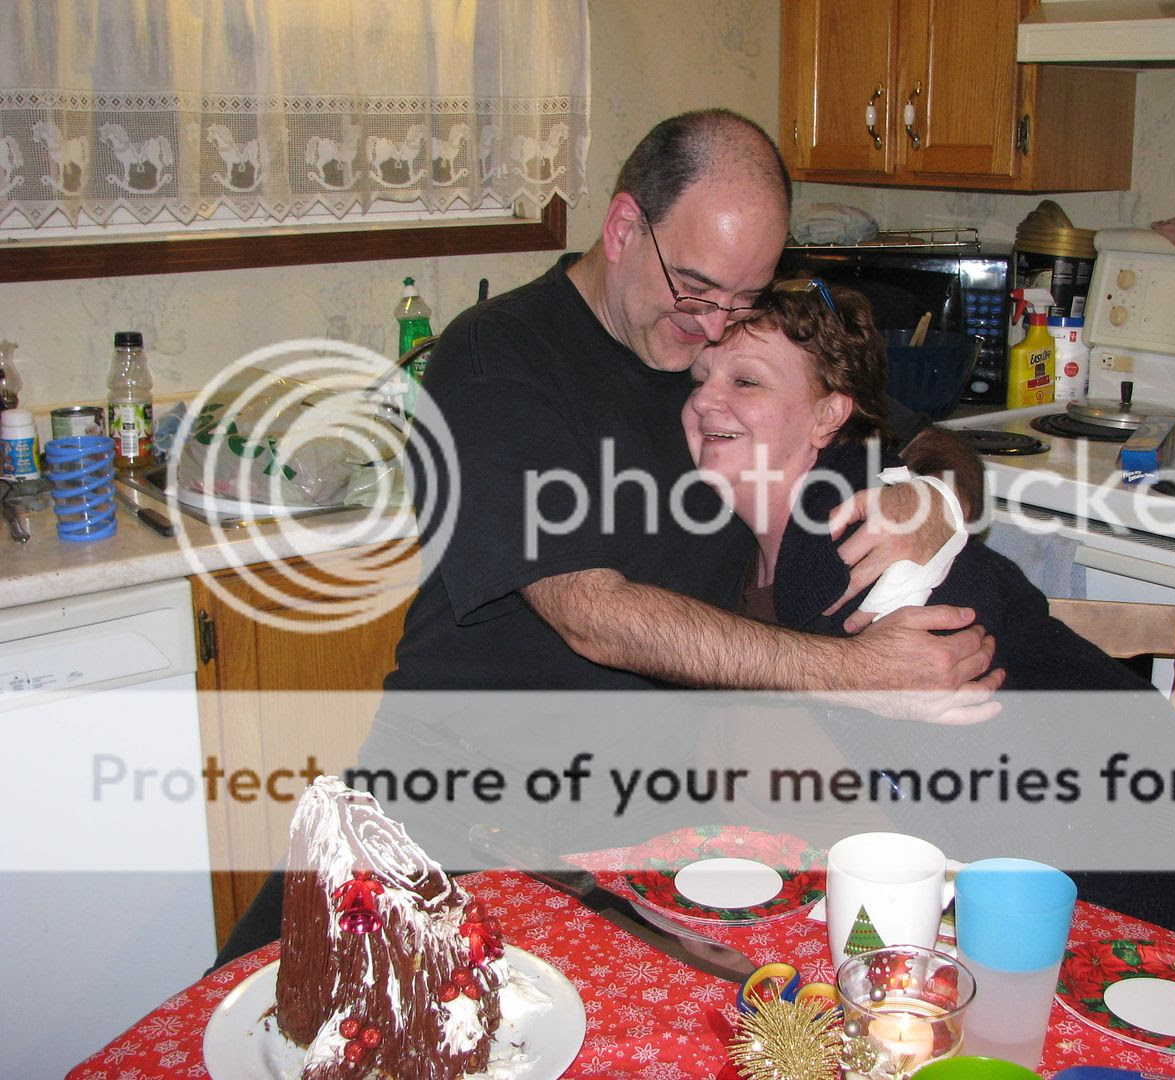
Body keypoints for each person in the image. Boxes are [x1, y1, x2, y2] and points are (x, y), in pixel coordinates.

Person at [210, 109, 999, 968]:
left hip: (636, 834)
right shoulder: (496, 358)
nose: (714, 326)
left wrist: (938, 496)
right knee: (252, 1005)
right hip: (450, 810)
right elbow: (591, 614)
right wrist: (860, 673)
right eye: (696, 289)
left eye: (743, 299)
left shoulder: (724, 353)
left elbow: (926, 437)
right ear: (624, 228)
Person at [680, 277, 1175, 985]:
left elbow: (1013, 821)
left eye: (746, 381)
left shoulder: (871, 559)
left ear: (829, 413)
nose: (706, 399)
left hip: (1174, 926)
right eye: (700, 378)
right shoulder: (756, 544)